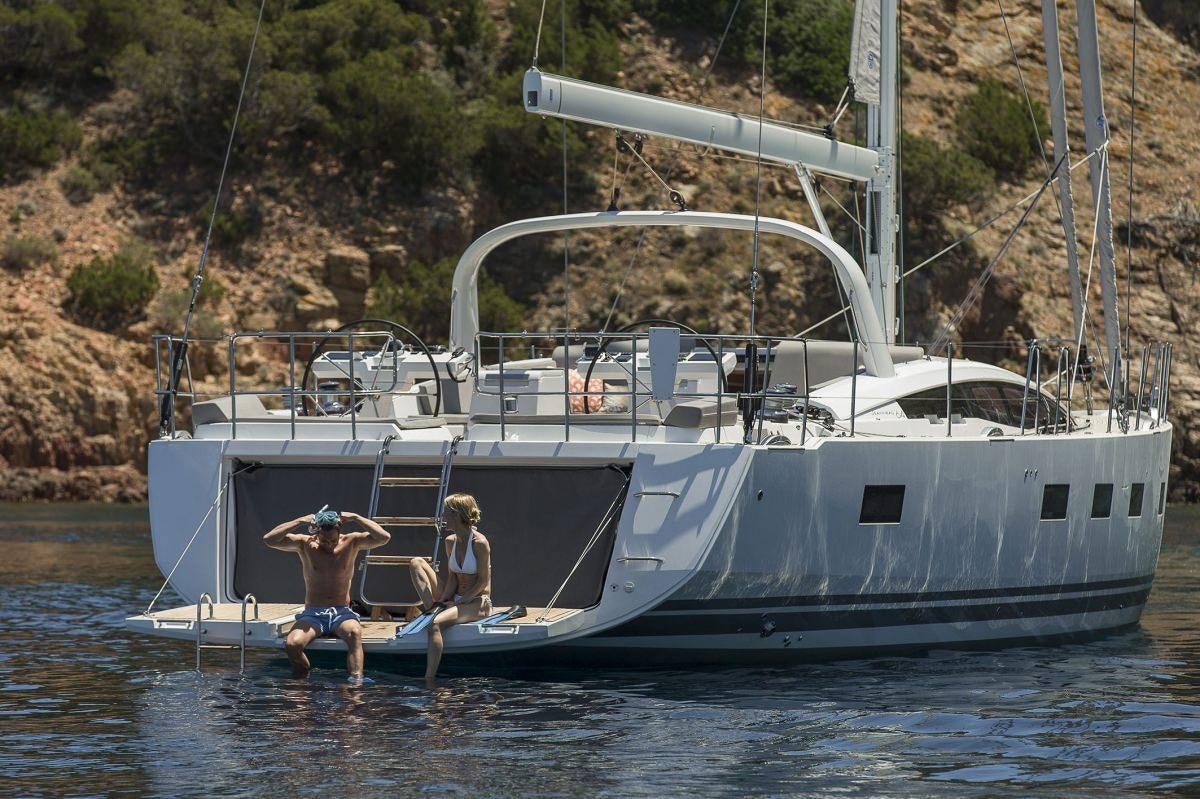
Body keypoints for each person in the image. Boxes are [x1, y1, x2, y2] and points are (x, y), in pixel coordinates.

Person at [262, 508, 390, 680]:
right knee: (292, 644)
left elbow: (384, 537)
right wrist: (299, 520)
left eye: (333, 540)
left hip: (341, 613)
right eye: (324, 541)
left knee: (354, 633)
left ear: (339, 531)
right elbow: (269, 540)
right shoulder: (305, 544)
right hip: (313, 613)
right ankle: (303, 676)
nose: (329, 544)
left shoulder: (352, 542)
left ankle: (356, 682)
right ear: (317, 534)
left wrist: (356, 517)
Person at [408, 493, 492, 686]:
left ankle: (429, 679)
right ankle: (432, 609)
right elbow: (453, 577)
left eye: (446, 511)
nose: (443, 516)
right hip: (455, 597)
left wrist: (457, 602)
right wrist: (442, 602)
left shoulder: (480, 543)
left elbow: (482, 582)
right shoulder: (450, 541)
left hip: (477, 601)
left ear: (457, 514)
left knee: (435, 625)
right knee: (416, 563)